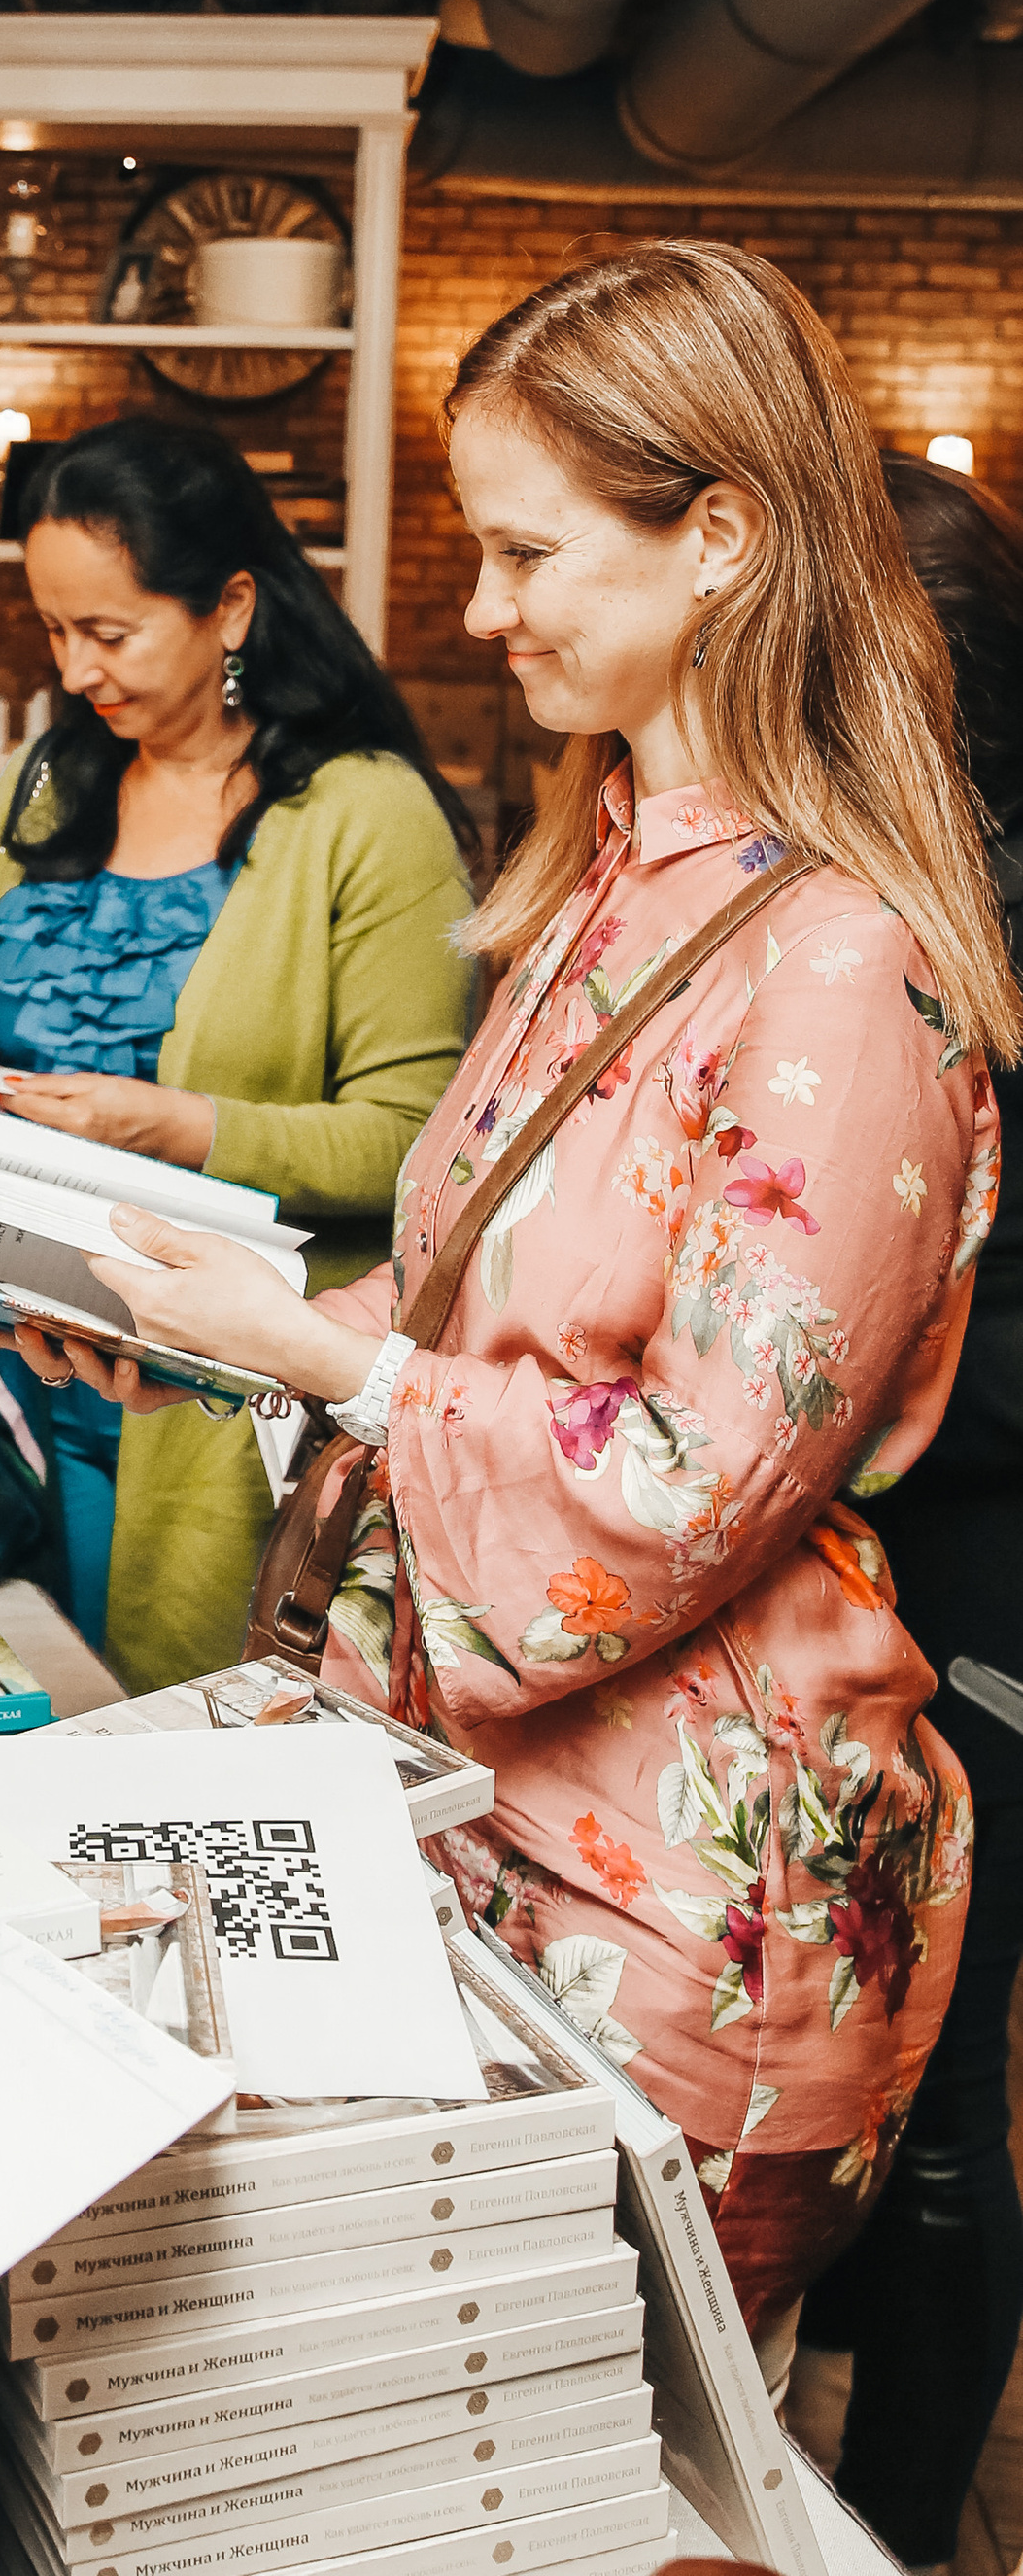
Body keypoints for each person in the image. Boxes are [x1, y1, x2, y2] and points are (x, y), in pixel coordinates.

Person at [0, 245, 1007, 2360]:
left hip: (657, 1902)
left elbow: (679, 1490)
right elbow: (478, 1307)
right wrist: (209, 1324)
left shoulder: (834, 966)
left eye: (529, 549)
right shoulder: (615, 873)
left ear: (718, 535)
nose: (476, 608)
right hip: (472, 1822)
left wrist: (331, 1360)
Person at [0, 415, 475, 1675]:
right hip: (13, 1371)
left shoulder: (365, 816)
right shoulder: (46, 787)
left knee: (162, 1742)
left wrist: (171, 1125)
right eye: (54, 631)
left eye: (110, 633)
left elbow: (421, 1148)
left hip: (216, 1405)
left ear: (230, 607)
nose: (76, 671)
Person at [796, 455, 1023, 2564]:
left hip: (982, 1571)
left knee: (944, 2090)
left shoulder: (960, 937)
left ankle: (899, 2526)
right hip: (875, 1538)